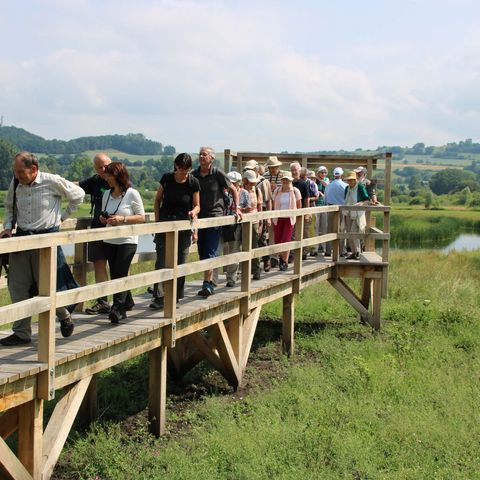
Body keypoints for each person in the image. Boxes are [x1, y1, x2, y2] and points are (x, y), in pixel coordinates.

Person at [0, 151, 85, 346]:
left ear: (34, 169)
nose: (18, 176)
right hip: (21, 240)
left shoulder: (52, 181)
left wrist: (62, 218)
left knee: (46, 285)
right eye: (16, 172)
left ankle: (63, 316)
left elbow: (78, 195)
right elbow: (10, 208)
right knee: (18, 286)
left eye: (21, 172)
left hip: (46, 240)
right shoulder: (16, 183)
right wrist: (7, 228)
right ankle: (21, 333)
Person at [150, 153, 200, 310]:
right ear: (175, 166)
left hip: (183, 226)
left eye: (186, 169)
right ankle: (158, 296)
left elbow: (197, 205)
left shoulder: (193, 182)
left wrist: (193, 212)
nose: (182, 172)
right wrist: (157, 221)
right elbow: (158, 200)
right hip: (165, 223)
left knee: (181, 261)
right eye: (180, 169)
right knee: (161, 260)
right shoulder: (167, 178)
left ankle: (175, 296)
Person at [193, 146, 241, 297]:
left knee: (211, 251)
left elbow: (233, 189)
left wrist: (237, 208)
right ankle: (208, 282)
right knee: (202, 251)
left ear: (212, 158)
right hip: (200, 218)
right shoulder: (194, 175)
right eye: (200, 154)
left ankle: (208, 284)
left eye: (205, 154)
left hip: (215, 217)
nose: (202, 157)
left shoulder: (217, 173)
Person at [99, 162, 145, 323]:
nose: (106, 178)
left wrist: (122, 218)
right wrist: (103, 218)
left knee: (121, 271)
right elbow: (102, 216)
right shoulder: (106, 194)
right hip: (109, 239)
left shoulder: (132, 194)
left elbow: (141, 217)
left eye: (109, 175)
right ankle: (128, 301)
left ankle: (117, 308)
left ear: (118, 176)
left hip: (127, 240)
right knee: (116, 273)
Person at [78, 153, 113, 315]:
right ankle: (103, 301)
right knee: (99, 264)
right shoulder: (94, 181)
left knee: (117, 266)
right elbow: (76, 186)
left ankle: (123, 300)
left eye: (106, 165)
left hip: (116, 230)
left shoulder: (122, 180)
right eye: (100, 167)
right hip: (97, 228)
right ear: (96, 169)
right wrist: (58, 184)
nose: (104, 169)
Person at [244, 160, 273, 272]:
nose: (248, 171)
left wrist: (268, 217)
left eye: (250, 169)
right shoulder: (245, 184)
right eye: (246, 169)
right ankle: (250, 267)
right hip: (250, 213)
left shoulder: (263, 182)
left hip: (261, 212)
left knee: (260, 240)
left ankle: (266, 260)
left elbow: (268, 200)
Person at [271, 172, 302, 271]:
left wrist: (297, 216)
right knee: (278, 239)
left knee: (286, 239)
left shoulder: (295, 191)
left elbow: (299, 204)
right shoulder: (277, 191)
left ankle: (284, 261)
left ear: (291, 180)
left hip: (289, 218)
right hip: (278, 217)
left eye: (287, 180)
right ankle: (280, 258)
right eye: (284, 179)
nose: (285, 181)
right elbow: (272, 203)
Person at [222, 171, 245, 287]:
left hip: (236, 225)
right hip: (222, 224)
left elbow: (249, 208)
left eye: (233, 183)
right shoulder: (223, 193)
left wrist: (241, 211)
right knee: (218, 251)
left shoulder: (244, 193)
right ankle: (212, 280)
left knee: (234, 251)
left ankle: (231, 278)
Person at [342, 171, 370, 260]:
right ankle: (353, 252)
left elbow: (367, 200)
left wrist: (361, 203)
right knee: (349, 233)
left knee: (354, 232)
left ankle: (358, 252)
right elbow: (345, 200)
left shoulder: (360, 187)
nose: (350, 182)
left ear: (355, 180)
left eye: (351, 180)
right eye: (348, 180)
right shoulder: (347, 188)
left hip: (357, 213)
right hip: (348, 213)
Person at [241, 169, 263, 280]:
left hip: (254, 221)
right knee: (243, 246)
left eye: (253, 182)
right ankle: (244, 270)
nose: (252, 184)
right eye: (250, 182)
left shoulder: (257, 190)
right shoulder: (240, 190)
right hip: (242, 221)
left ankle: (256, 269)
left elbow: (260, 207)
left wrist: (261, 224)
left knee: (254, 245)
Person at [324, 167, 348, 256]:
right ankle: (342, 251)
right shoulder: (345, 186)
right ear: (341, 175)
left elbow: (325, 199)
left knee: (329, 229)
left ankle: (328, 250)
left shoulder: (328, 186)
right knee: (342, 229)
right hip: (342, 208)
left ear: (334, 175)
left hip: (330, 208)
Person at [313, 166, 330, 256]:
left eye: (325, 172)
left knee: (324, 227)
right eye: (321, 172)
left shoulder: (326, 180)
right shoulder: (314, 180)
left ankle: (323, 247)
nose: (323, 174)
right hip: (316, 205)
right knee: (316, 227)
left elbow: (326, 185)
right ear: (318, 173)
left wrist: (318, 179)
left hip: (324, 206)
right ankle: (315, 248)